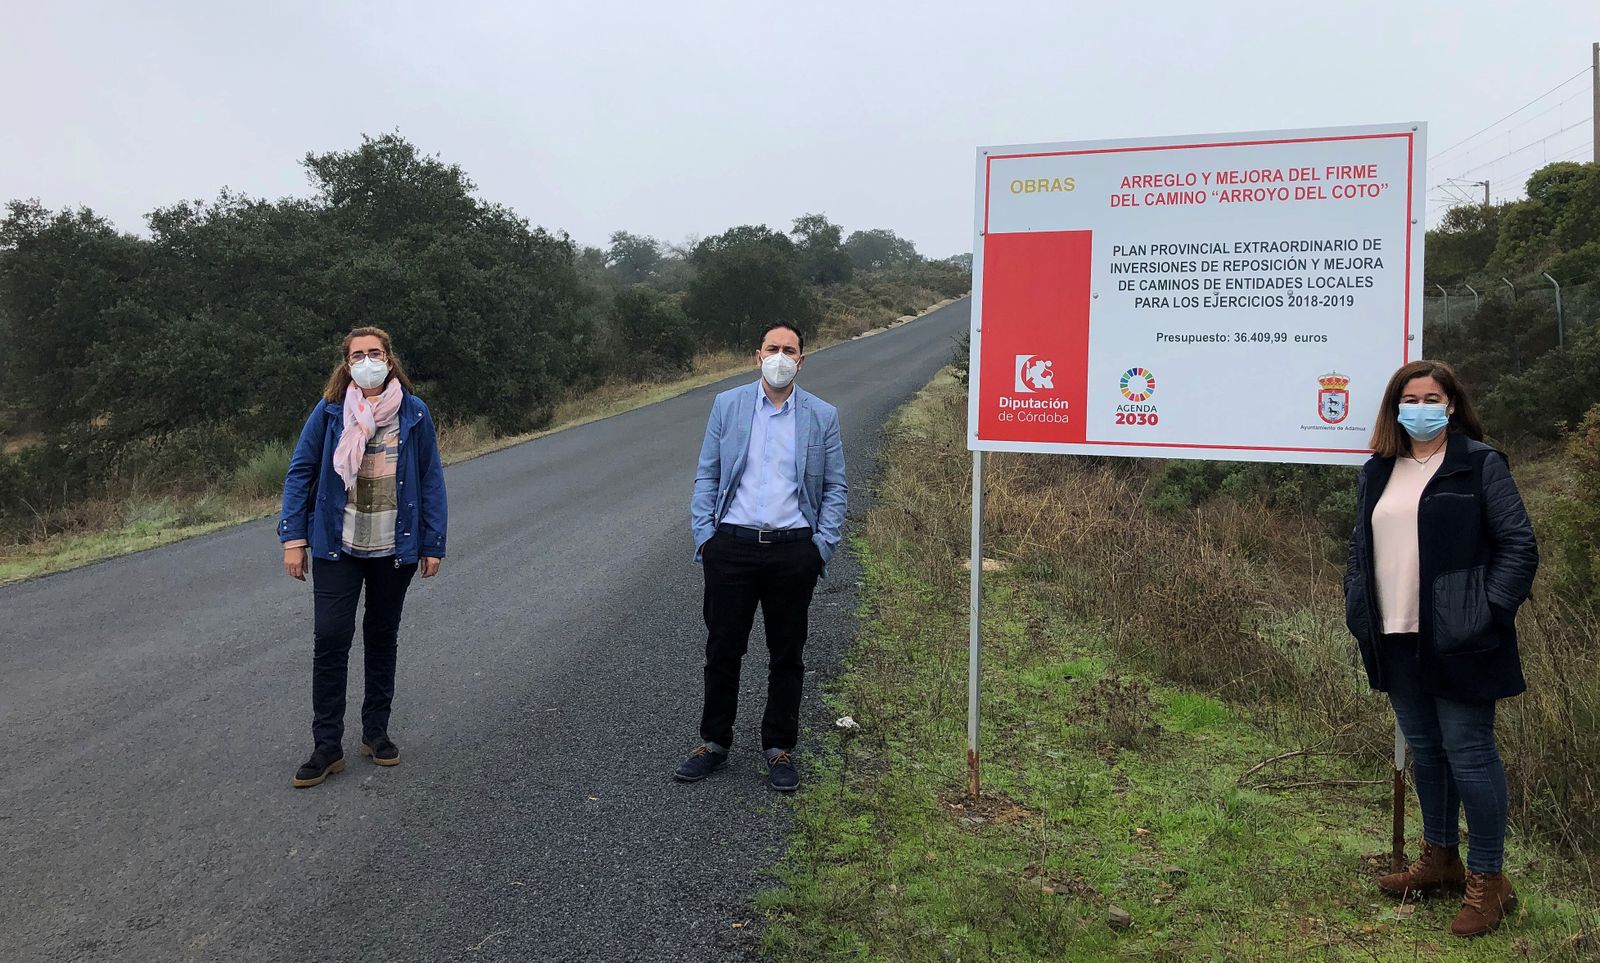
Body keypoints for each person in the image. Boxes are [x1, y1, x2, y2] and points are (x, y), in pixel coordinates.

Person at [1344, 359, 1537, 937]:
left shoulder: (1480, 465)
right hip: (1395, 635)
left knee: (1470, 754)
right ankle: (1441, 857)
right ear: (1393, 407)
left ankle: (1488, 881)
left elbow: (1519, 546)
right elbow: (1360, 549)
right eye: (1411, 398)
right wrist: (1358, 607)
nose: (1421, 407)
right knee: (1427, 752)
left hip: (1462, 639)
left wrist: (1485, 612)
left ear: (1452, 405)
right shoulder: (1377, 470)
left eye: (1433, 398)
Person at [677, 322, 847, 792]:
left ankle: (779, 747)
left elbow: (835, 487)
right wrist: (706, 539)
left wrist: (821, 546)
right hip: (731, 547)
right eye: (772, 348)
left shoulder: (821, 415)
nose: (780, 356)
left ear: (801, 360)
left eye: (789, 350)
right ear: (757, 356)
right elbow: (707, 475)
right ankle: (714, 742)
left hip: (794, 551)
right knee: (723, 648)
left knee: (787, 653)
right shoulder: (727, 405)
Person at [279, 326, 447, 788]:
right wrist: (293, 539)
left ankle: (376, 732)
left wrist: (433, 542)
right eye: (358, 354)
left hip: (395, 546)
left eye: (375, 352)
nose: (367, 360)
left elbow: (430, 479)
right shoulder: (331, 411)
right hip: (338, 543)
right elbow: (300, 473)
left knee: (381, 634)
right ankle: (326, 746)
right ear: (347, 363)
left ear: (390, 360)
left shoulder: (414, 413)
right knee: (331, 638)